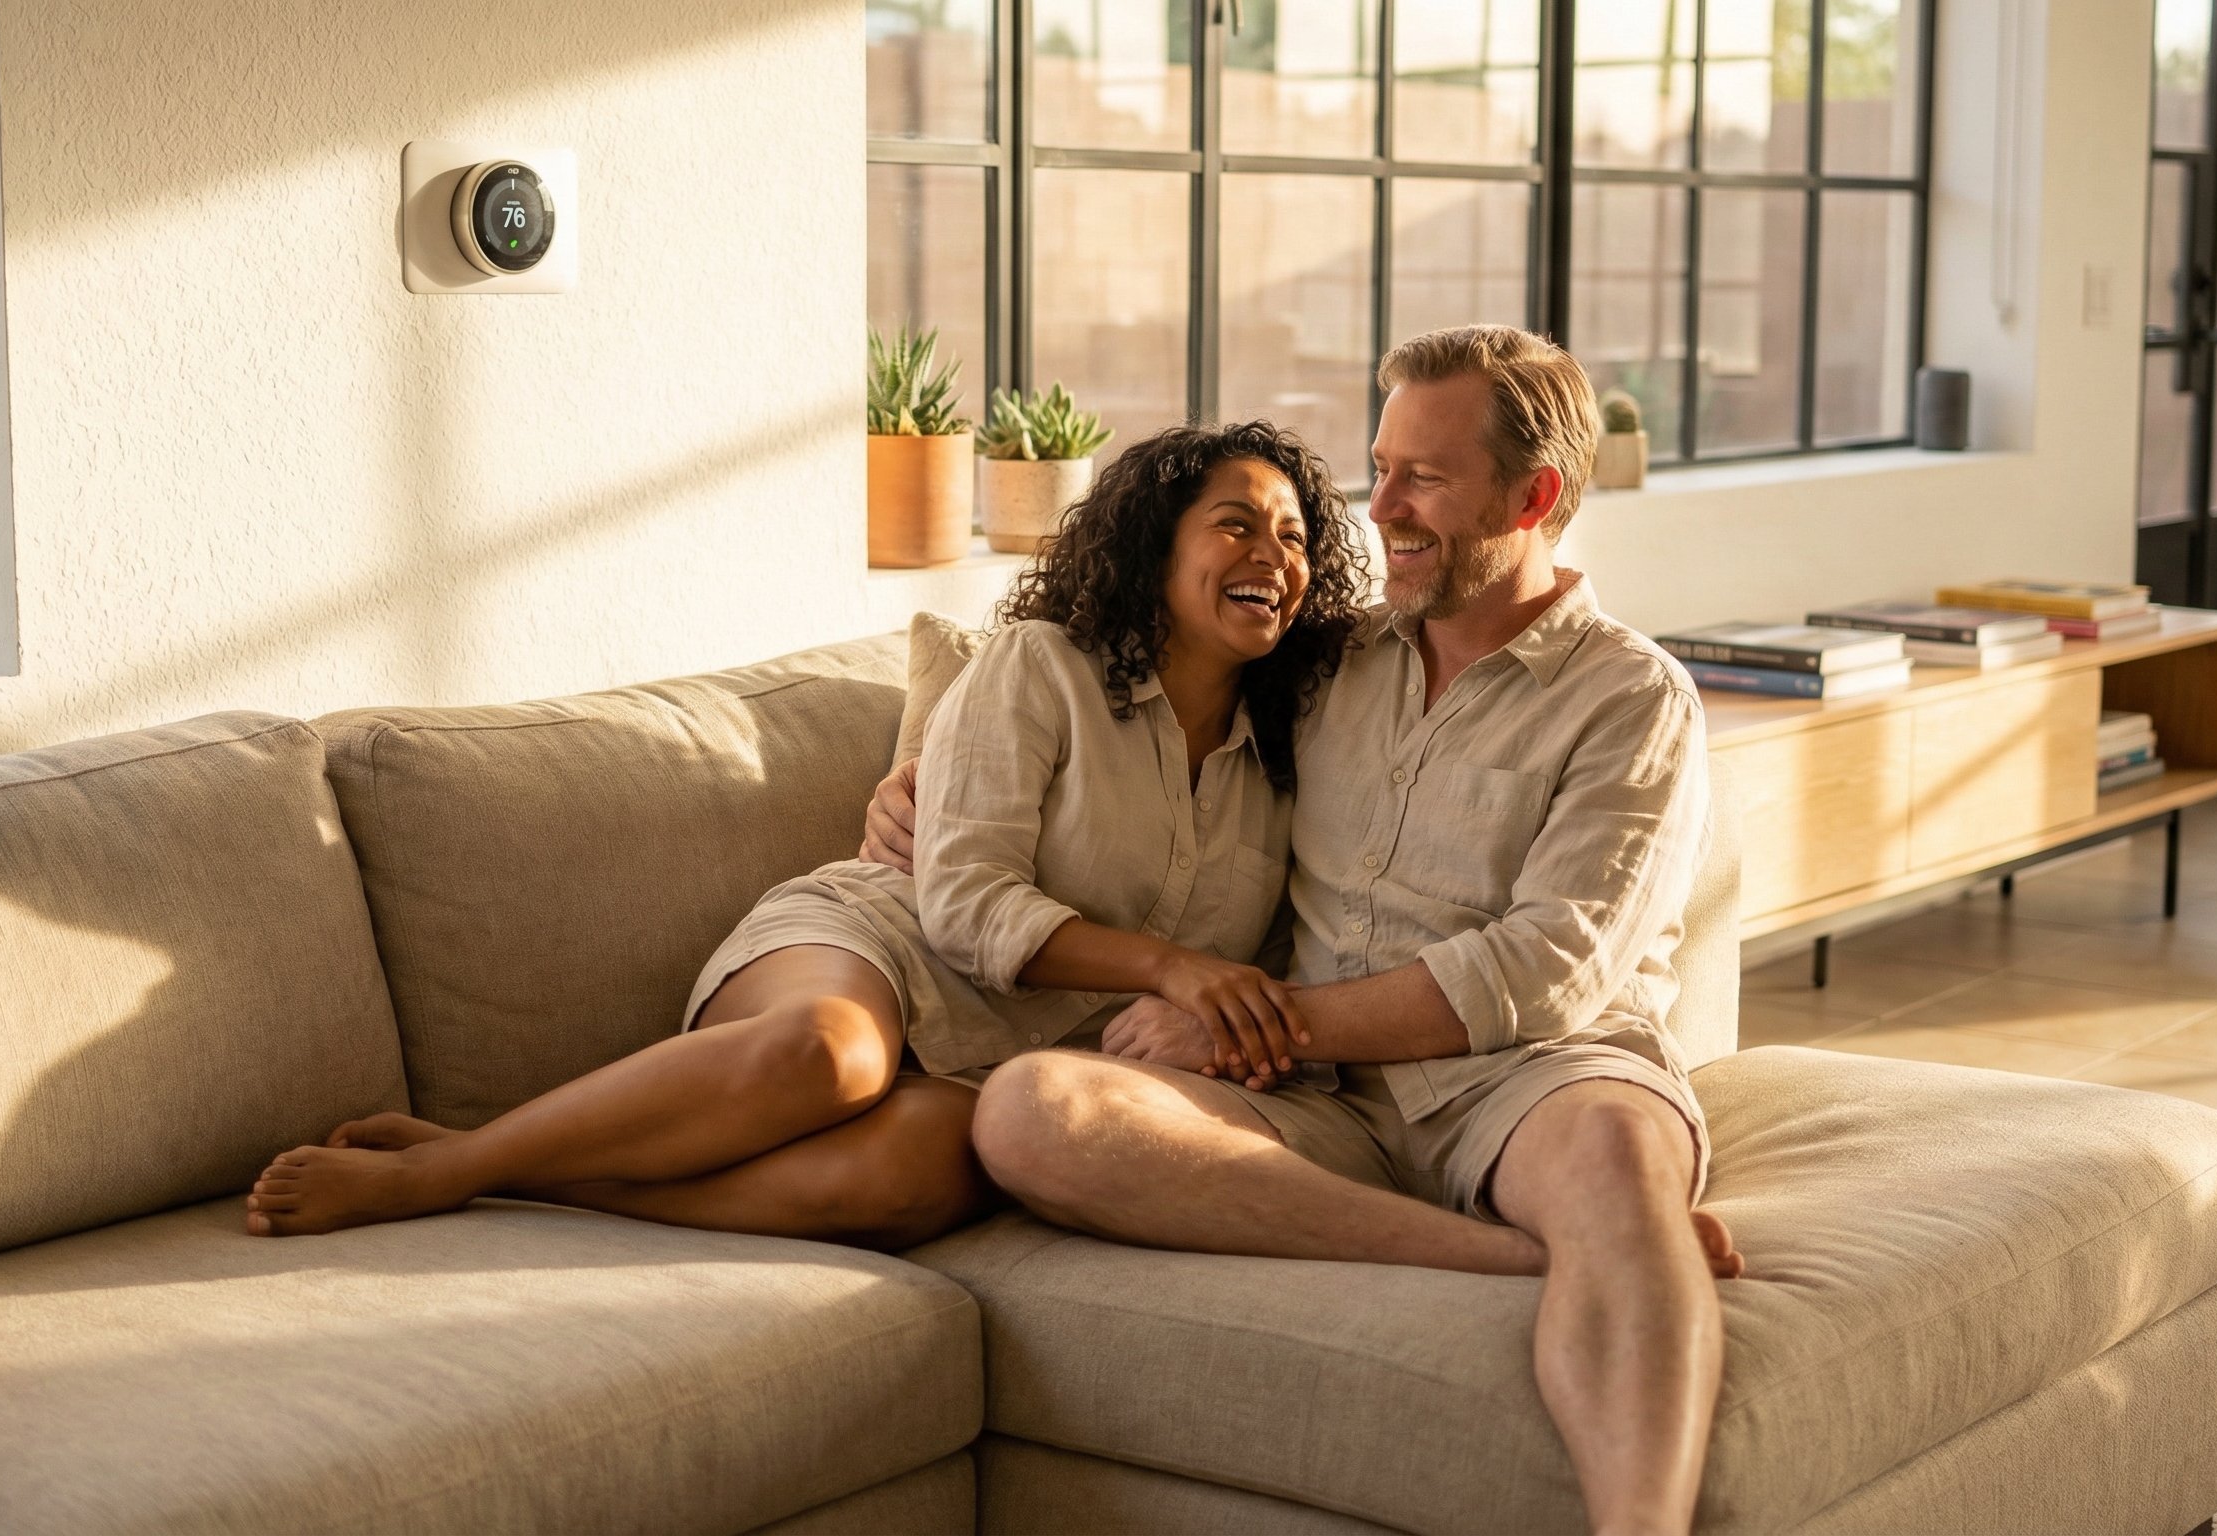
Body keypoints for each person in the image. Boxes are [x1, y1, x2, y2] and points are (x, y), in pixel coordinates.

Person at [862, 327, 1742, 1536]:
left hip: (1523, 1080)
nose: (1376, 508)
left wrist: (1240, 1020)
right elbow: (1098, 659)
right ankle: (1526, 1254)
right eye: (1377, 468)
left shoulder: (1630, 698)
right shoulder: (1323, 662)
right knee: (1030, 1110)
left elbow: (1548, 970)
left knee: (1608, 1163)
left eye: (1421, 478)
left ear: (1534, 496)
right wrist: (916, 771)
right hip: (1315, 1098)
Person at [241, 420, 1368, 1250]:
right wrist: (1172, 969)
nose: (1272, 554)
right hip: (880, 942)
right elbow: (964, 901)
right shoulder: (1041, 667)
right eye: (1234, 524)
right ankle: (447, 1173)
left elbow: (1278, 950)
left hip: (1027, 1052)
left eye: (1292, 537)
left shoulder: (1291, 756)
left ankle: (533, 1176)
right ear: (1153, 551)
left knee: (905, 1187)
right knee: (834, 1055)